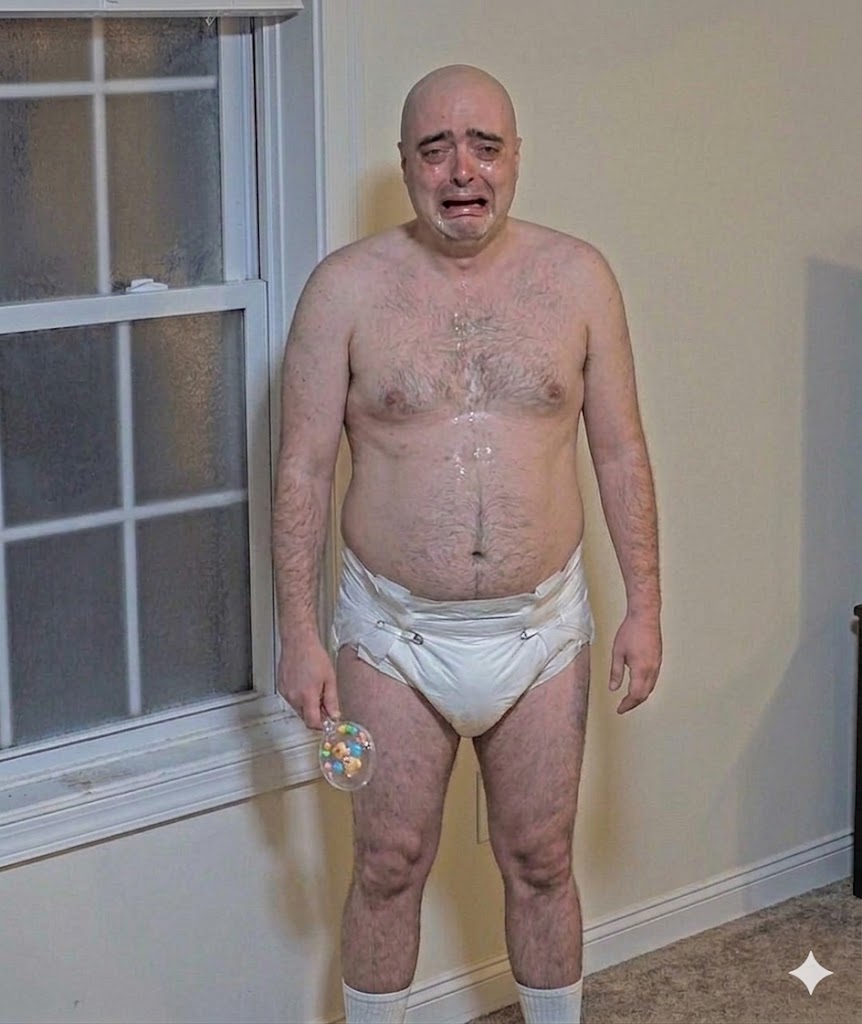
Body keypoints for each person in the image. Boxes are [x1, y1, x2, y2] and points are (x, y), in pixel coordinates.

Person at [273, 64, 662, 1024]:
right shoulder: (343, 290)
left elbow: (619, 451)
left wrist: (646, 606)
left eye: (484, 147)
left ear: (515, 157)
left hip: (543, 633)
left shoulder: (580, 279)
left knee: (542, 859)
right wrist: (299, 634)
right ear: (405, 162)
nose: (462, 171)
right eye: (435, 149)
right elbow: (303, 472)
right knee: (386, 863)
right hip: (388, 639)